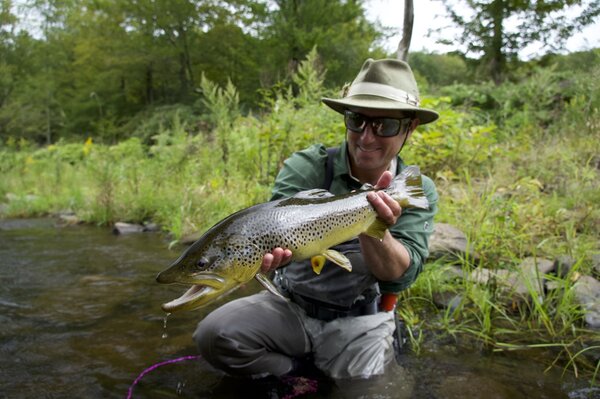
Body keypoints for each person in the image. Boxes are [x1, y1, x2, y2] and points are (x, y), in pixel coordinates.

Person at [193, 59, 439, 383]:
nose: (366, 137)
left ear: (410, 127)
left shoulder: (412, 188)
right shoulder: (308, 166)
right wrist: (264, 260)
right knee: (215, 335)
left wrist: (372, 227)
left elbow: (397, 278)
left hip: (359, 320)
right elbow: (269, 228)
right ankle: (298, 377)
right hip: (291, 307)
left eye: (386, 126)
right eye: (357, 120)